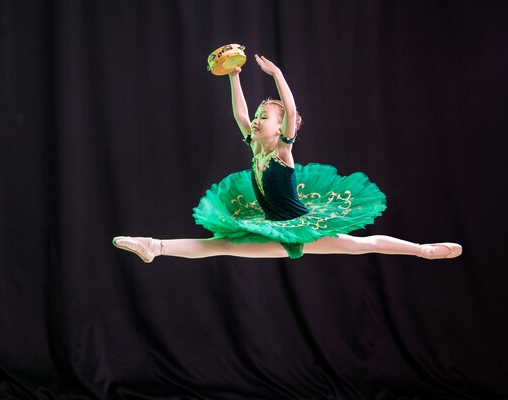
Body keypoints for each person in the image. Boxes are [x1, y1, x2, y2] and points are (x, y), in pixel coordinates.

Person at [112, 54, 462, 263]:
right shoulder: (255, 146)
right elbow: (239, 113)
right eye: (260, 114)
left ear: (282, 130)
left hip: (301, 228)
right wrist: (234, 76)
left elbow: (291, 111)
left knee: (361, 245)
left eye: (265, 116)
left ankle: (423, 250)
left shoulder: (282, 150)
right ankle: (153, 245)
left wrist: (277, 76)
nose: (258, 118)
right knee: (220, 246)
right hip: (272, 227)